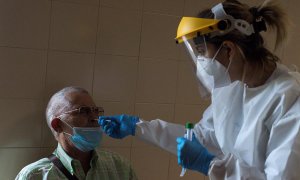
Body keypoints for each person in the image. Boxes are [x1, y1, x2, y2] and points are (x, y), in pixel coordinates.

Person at [99, 0, 300, 179]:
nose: (201, 61)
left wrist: (210, 165)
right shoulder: (234, 88)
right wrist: (139, 127)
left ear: (229, 50)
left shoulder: (290, 99)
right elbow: (202, 137)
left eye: (202, 52)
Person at [16, 87, 137, 180]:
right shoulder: (34, 176)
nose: (95, 118)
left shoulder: (119, 167)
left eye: (96, 111)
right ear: (57, 125)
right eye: (83, 111)